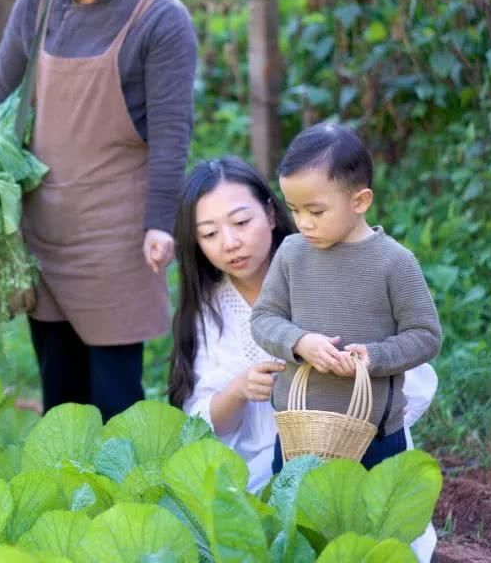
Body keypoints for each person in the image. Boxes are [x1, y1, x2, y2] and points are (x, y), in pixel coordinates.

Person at [0, 0, 197, 422]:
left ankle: (124, 505)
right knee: (60, 395)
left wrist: (160, 223)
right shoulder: (38, 6)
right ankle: (65, 502)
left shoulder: (159, 18)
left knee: (116, 399)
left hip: (117, 239)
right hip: (42, 232)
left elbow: (171, 135)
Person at [171, 154, 439, 561]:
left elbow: (412, 376)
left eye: (241, 222)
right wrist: (238, 390)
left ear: (272, 213)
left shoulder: (335, 269)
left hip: (353, 451)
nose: (229, 243)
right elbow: (202, 425)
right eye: (208, 233)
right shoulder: (209, 310)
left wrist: (357, 370)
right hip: (263, 470)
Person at [250, 122, 443, 475]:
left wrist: (375, 356)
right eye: (294, 209)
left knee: (371, 521)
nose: (303, 223)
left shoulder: (394, 262)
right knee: (298, 523)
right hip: (298, 431)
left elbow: (426, 335)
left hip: (373, 433)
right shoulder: (292, 253)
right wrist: (300, 342)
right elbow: (264, 319)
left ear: (360, 201)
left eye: (316, 211)